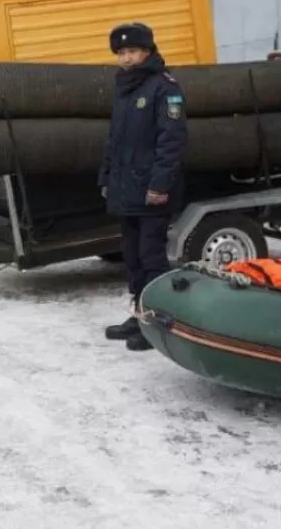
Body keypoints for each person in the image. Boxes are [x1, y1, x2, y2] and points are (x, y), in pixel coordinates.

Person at [98, 22, 188, 352]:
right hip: (127, 191)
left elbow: (172, 142)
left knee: (151, 257)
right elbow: (114, 141)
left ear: (147, 52)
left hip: (152, 193)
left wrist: (160, 185)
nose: (126, 58)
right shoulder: (125, 89)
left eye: (132, 52)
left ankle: (156, 322)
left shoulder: (164, 88)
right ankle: (138, 314)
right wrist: (106, 178)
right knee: (132, 257)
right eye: (121, 53)